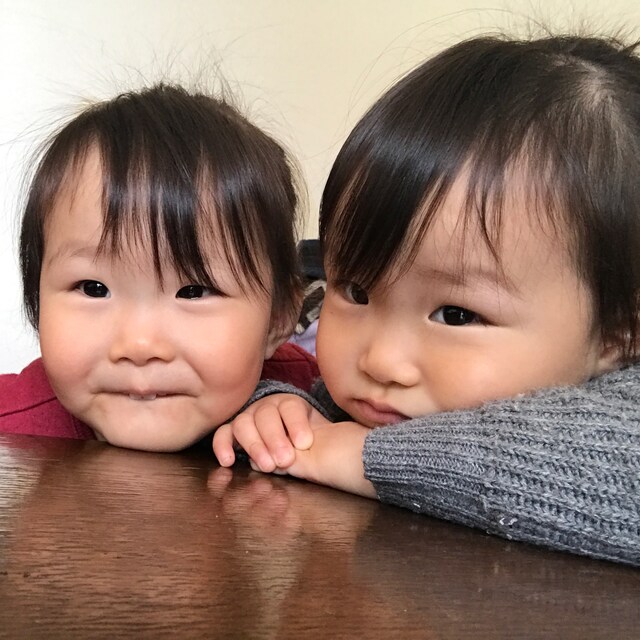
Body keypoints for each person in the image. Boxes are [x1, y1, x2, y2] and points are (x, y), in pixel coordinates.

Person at [213, 34, 640, 565]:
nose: (381, 361)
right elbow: (316, 406)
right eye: (357, 290)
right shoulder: (388, 401)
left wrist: (359, 457)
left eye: (457, 314)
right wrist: (279, 414)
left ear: (619, 331)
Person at [0, 82, 319, 451]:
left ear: (278, 318)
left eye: (194, 291)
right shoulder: (11, 431)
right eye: (93, 288)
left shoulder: (308, 395)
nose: (139, 345)